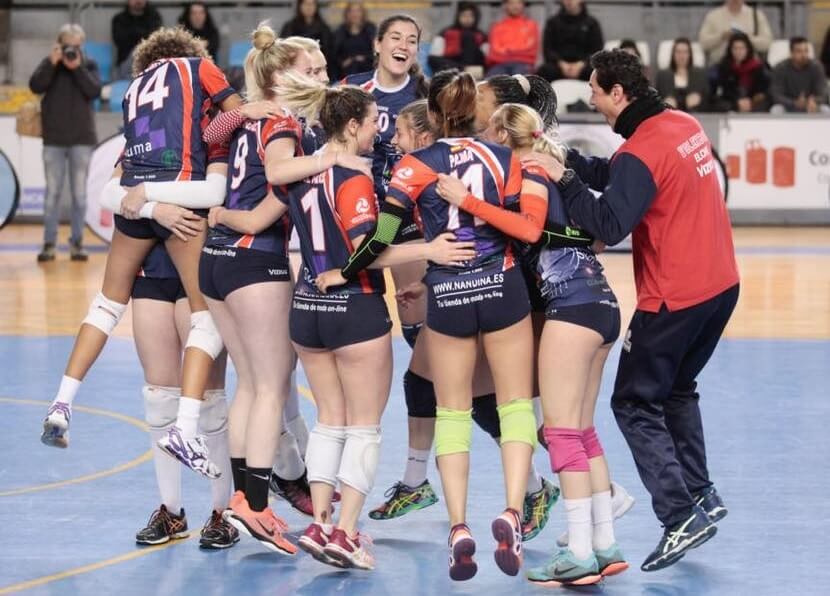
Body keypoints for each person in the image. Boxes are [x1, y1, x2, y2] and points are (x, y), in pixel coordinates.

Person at [318, 69, 546, 581]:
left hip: (449, 293)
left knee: (453, 414)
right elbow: (524, 229)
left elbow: (378, 241)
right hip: (502, 286)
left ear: (434, 115)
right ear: (473, 111)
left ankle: (459, 526)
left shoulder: (414, 166)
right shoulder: (505, 158)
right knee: (513, 407)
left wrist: (347, 271)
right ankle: (513, 509)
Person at [527, 49, 739, 572]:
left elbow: (609, 222)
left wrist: (565, 181)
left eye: (596, 92)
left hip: (675, 297)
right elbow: (630, 178)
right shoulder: (681, 124)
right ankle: (702, 493)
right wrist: (570, 162)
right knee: (678, 390)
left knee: (635, 404)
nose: (593, 101)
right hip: (721, 286)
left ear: (618, 93)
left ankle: (679, 515)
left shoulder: (641, 151)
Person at [270, 80, 475, 570]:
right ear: (353, 125)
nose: (377, 131)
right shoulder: (355, 178)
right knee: (363, 429)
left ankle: (321, 522)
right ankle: (344, 532)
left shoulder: (303, 172)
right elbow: (370, 251)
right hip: (353, 309)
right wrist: (429, 251)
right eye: (371, 122)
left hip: (307, 307)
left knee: (329, 422)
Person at [40, 28, 243, 482]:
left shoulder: (134, 92)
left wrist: (147, 203)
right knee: (205, 317)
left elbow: (114, 189)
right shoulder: (199, 74)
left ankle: (62, 401)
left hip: (137, 192)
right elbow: (237, 121)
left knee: (106, 305)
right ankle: (186, 429)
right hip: (183, 192)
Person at [470, 103, 627, 586]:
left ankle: (578, 551)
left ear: (501, 133)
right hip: (603, 303)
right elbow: (597, 240)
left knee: (559, 434)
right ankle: (604, 546)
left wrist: (470, 202)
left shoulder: (529, 175)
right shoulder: (552, 170)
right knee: (581, 430)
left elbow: (529, 229)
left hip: (572, 309)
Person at [132, 243, 239, 550]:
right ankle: (172, 512)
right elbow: (114, 196)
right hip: (152, 263)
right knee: (159, 397)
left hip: (202, 260)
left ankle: (222, 513)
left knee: (208, 397)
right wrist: (155, 207)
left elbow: (213, 192)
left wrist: (149, 197)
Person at [341, 15, 428, 356]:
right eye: (395, 37)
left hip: (406, 212)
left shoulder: (425, 95)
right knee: (355, 307)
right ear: (378, 45)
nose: (403, 45)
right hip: (356, 209)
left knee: (414, 315)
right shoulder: (351, 88)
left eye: (411, 40)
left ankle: (433, 392)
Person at [29, 23, 101, 263]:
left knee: (80, 196)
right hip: (54, 140)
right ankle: (49, 243)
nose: (73, 50)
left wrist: (77, 68)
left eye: (78, 45)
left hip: (81, 138)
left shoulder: (88, 64)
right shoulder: (50, 63)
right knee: (52, 195)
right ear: (60, 44)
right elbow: (35, 86)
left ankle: (77, 243)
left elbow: (94, 91)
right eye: (69, 45)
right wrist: (52, 62)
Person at [537, 0, 603, 82]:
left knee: (599, 73)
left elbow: (597, 50)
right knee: (543, 71)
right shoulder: (552, 23)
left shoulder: (592, 23)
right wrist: (561, 64)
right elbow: (548, 50)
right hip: (558, 66)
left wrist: (581, 64)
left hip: (584, 66)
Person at [698, 0, 772, 64]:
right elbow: (703, 43)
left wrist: (746, 38)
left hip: (751, 69)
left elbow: (766, 43)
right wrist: (721, 36)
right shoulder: (713, 16)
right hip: (720, 69)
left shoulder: (756, 15)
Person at [712, 32, 770, 112]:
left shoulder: (758, 67)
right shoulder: (724, 67)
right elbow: (722, 91)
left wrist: (751, 100)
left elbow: (762, 90)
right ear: (730, 50)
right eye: (735, 48)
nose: (738, 52)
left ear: (748, 49)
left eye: (742, 48)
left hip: (753, 102)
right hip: (731, 103)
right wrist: (737, 102)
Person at [769, 36, 829, 113]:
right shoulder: (780, 68)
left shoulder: (817, 67)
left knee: (825, 110)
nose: (804, 55)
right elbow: (776, 95)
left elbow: (824, 93)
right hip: (788, 106)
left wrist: (814, 100)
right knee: (776, 110)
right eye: (799, 51)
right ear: (791, 53)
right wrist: (794, 103)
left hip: (811, 105)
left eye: (806, 51)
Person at [428, 2, 487, 77]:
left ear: (475, 18)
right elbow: (433, 58)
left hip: (473, 68)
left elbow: (485, 60)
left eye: (471, 16)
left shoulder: (481, 36)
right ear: (458, 16)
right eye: (464, 15)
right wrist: (461, 68)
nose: (467, 19)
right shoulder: (445, 33)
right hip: (450, 66)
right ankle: (462, 70)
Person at [279, 0, 334, 79]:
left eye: (311, 4)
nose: (309, 7)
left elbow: (329, 51)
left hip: (319, 68)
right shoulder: (290, 27)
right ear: (300, 6)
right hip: (296, 71)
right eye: (306, 4)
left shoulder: (324, 28)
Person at [485, 0, 540, 77]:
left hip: (523, 65)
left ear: (523, 4)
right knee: (490, 82)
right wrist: (517, 51)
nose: (515, 6)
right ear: (505, 5)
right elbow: (493, 53)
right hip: (499, 65)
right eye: (511, 3)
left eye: (519, 2)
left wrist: (507, 50)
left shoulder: (531, 26)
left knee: (519, 81)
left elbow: (531, 51)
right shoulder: (497, 27)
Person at [655, 38, 710, 112]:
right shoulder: (663, 75)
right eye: (678, 52)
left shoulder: (700, 75)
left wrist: (700, 99)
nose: (681, 56)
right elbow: (655, 100)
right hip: (670, 117)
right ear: (673, 54)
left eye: (685, 52)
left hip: (695, 116)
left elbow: (709, 98)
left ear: (690, 54)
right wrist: (664, 103)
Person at [112, 0, 163, 77]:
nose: (138, 1)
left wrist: (133, 34)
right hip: (126, 63)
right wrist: (142, 35)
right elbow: (120, 41)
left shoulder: (154, 17)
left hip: (149, 61)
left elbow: (154, 40)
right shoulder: (118, 19)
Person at [333, 2, 376, 79]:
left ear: (363, 13)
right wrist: (344, 62)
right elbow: (335, 53)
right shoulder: (340, 31)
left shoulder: (370, 29)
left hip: (367, 68)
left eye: (358, 11)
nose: (354, 14)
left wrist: (363, 58)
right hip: (345, 71)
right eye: (351, 11)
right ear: (347, 14)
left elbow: (375, 51)